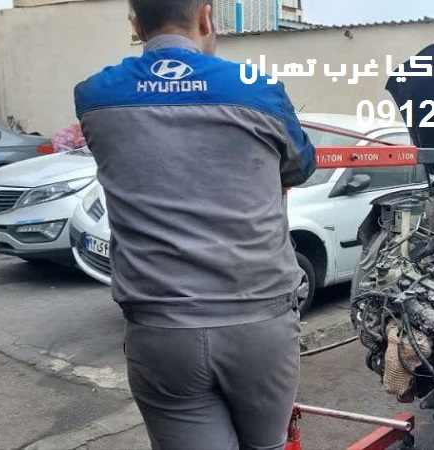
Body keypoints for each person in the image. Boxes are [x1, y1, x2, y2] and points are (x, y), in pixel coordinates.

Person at [73, 1, 316, 449]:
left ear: (135, 25)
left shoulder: (94, 96)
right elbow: (300, 167)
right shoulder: (260, 90)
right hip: (260, 325)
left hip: (161, 331)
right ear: (206, 17)